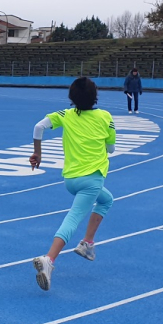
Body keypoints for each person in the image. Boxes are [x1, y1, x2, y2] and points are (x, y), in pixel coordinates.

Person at [29, 77, 116, 291]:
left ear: (71, 98)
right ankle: (49, 259)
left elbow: (38, 127)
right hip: (92, 178)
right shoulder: (105, 116)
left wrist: (37, 153)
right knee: (73, 218)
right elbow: (111, 149)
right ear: (95, 97)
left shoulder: (65, 115)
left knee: (107, 200)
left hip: (71, 179)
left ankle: (87, 244)